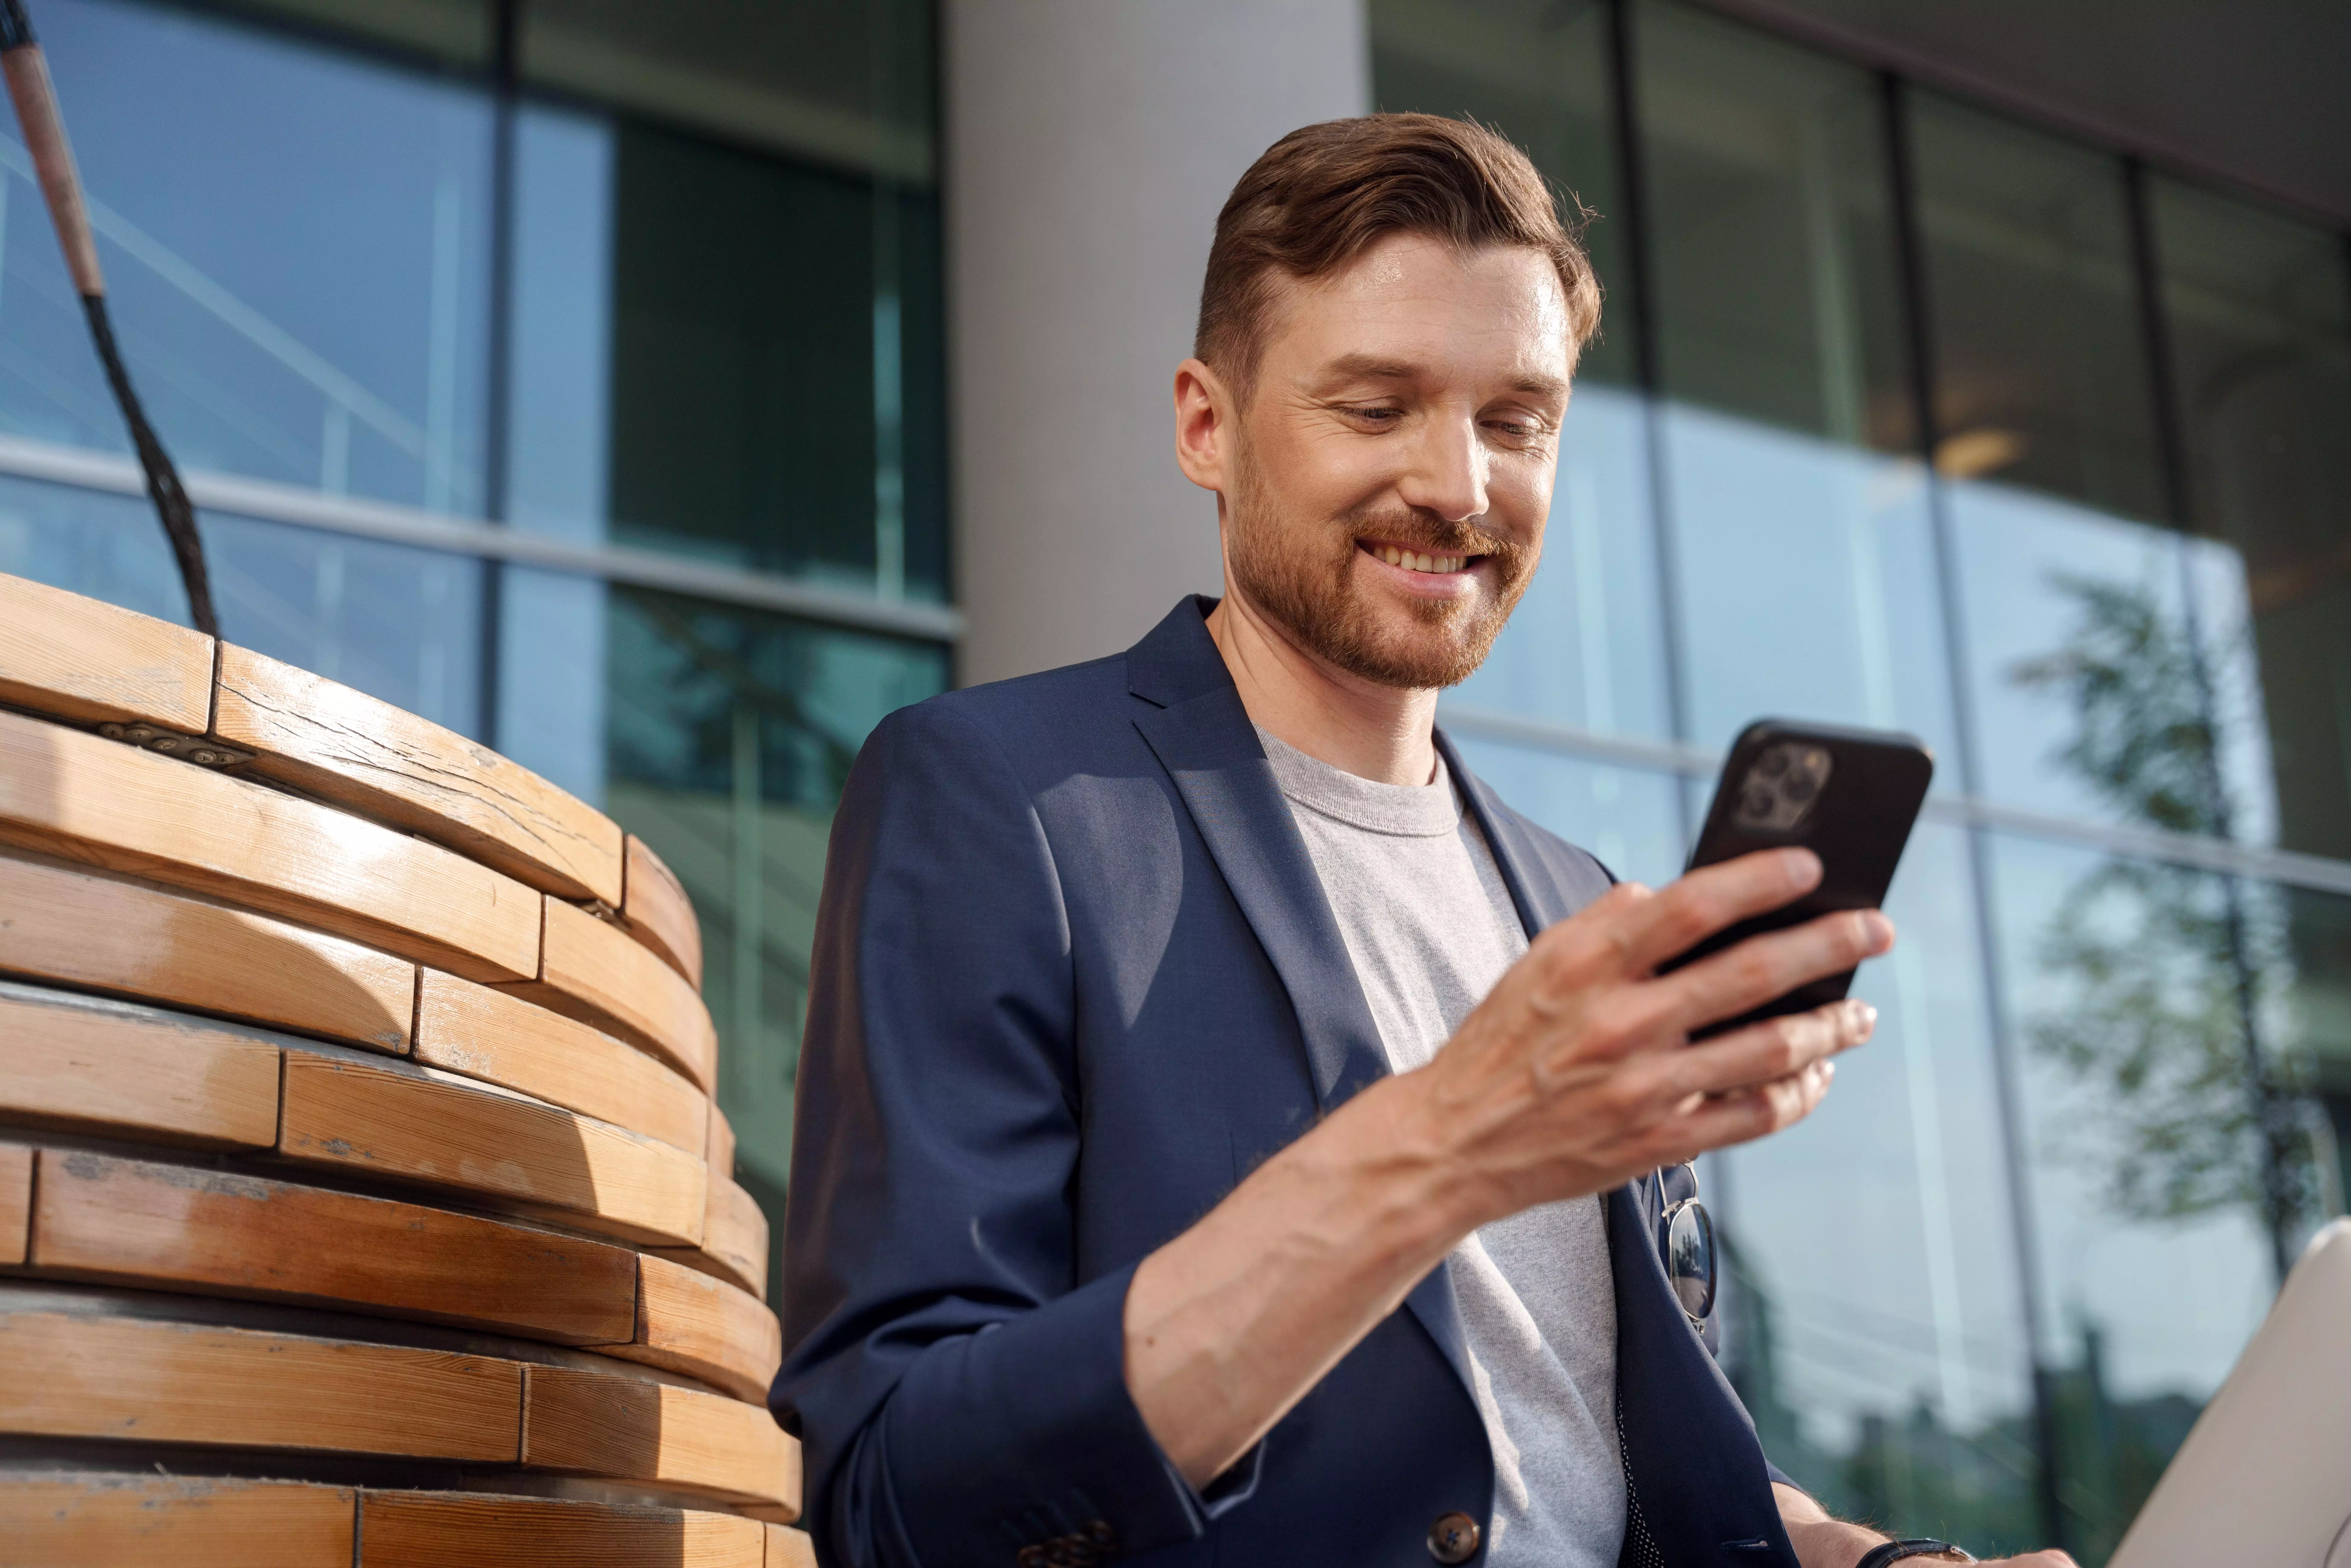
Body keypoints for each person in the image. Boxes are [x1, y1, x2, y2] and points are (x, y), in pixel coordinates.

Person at [774, 114, 2075, 1568]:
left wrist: (1871, 1560)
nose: (1459, 486)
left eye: (1516, 421)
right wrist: (1448, 1146)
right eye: (1377, 407)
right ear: (1207, 426)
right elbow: (902, 1498)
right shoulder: (1000, 798)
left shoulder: (1573, 902)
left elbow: (1610, 1463)